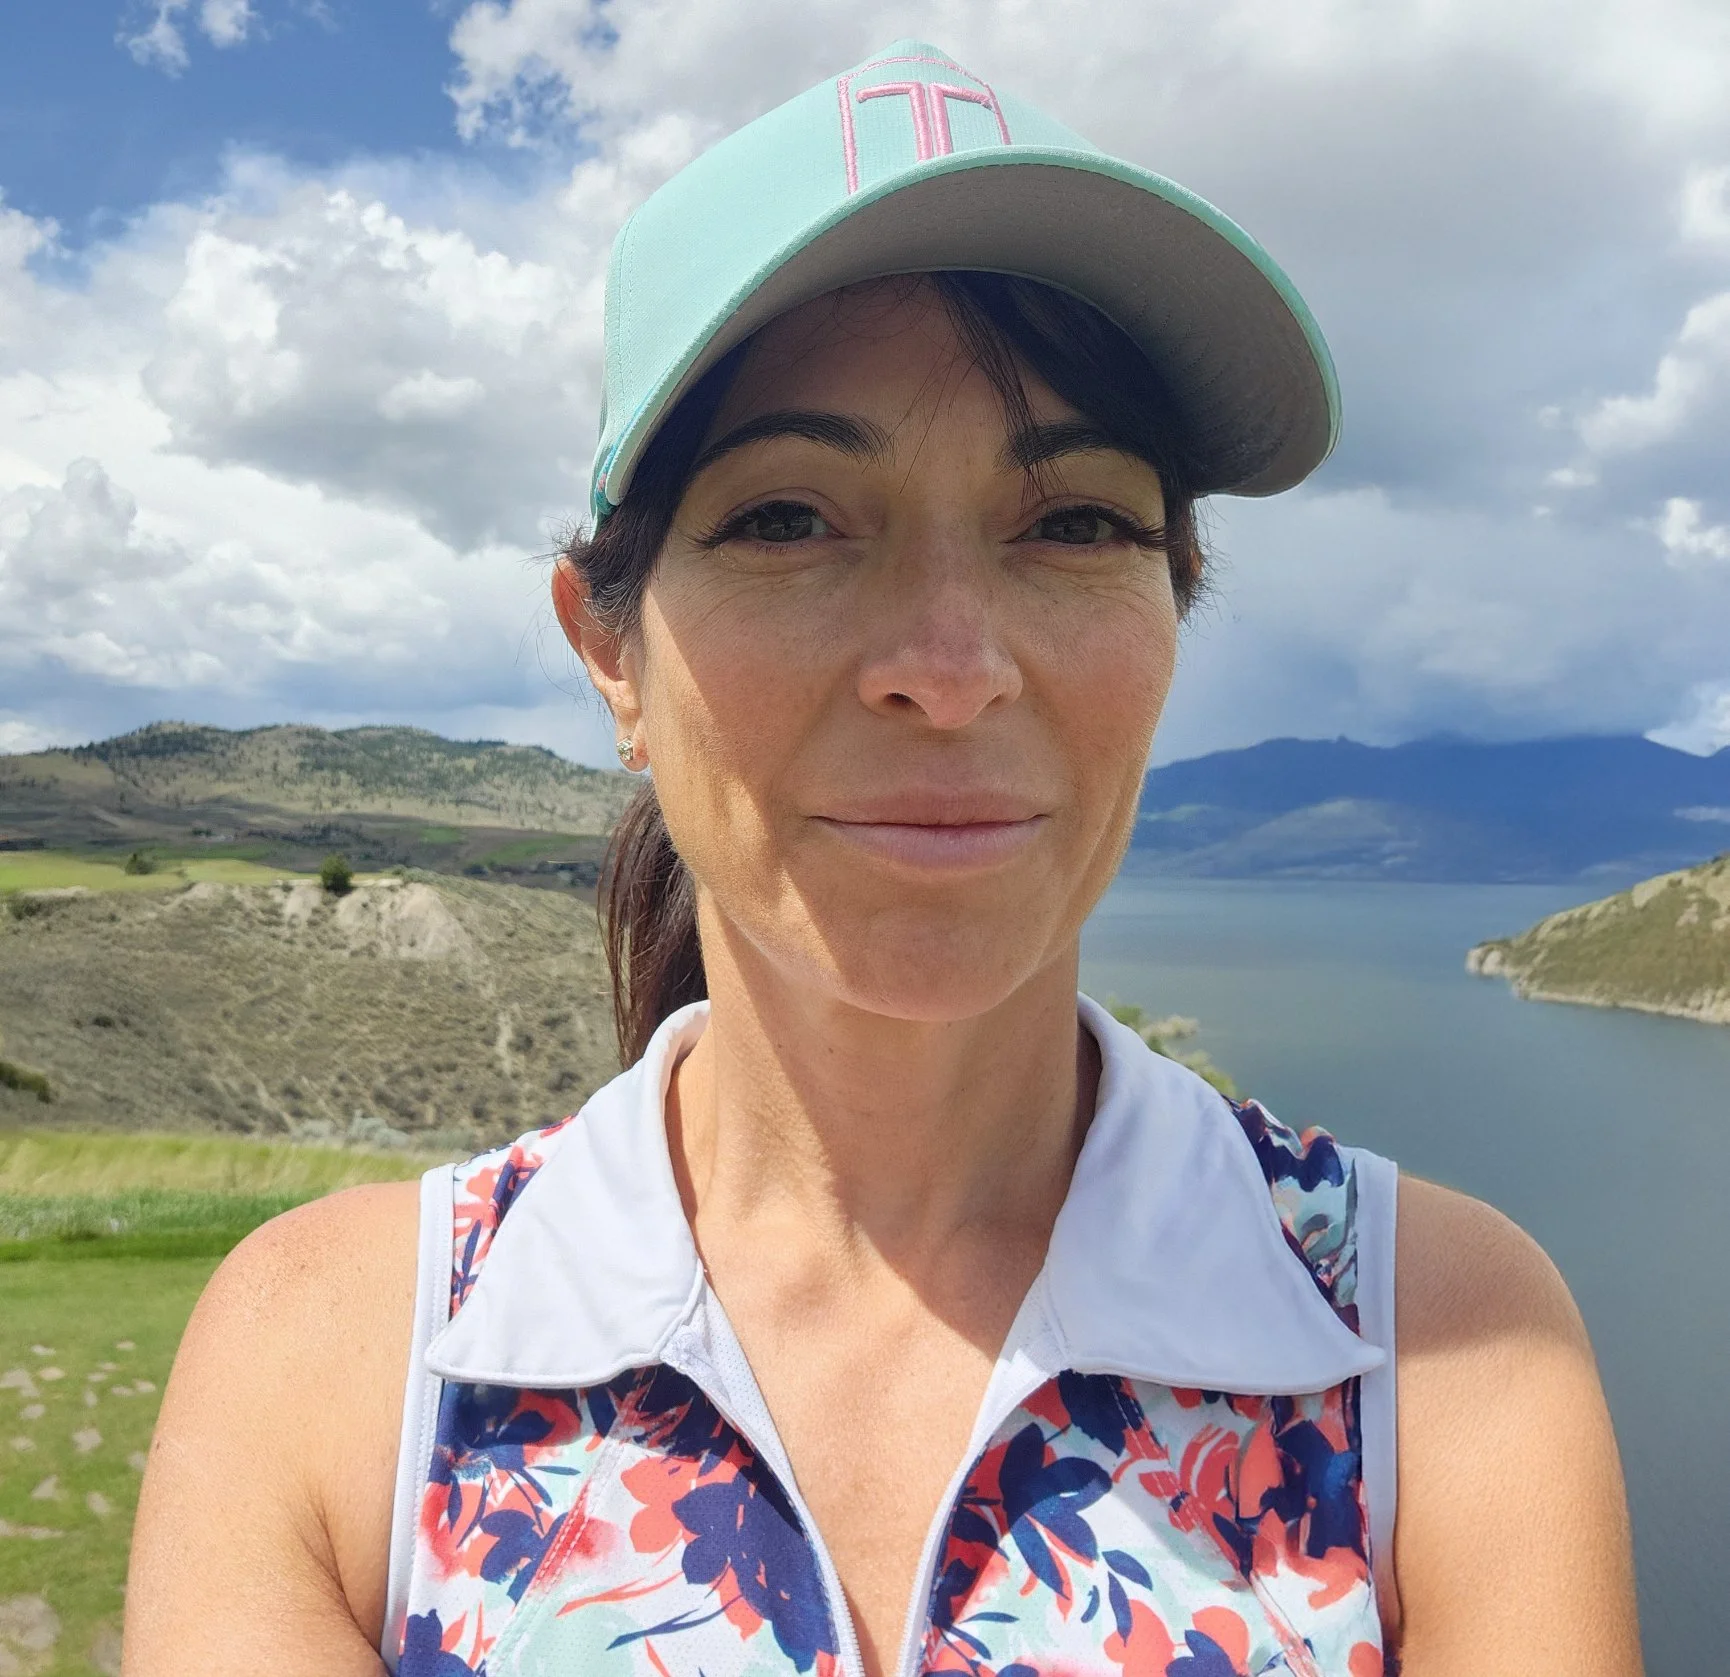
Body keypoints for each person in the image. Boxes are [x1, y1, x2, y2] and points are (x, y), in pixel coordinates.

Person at [124, 41, 1641, 1677]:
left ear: (1175, 614)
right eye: (788, 516)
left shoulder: (1439, 1346)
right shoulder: (340, 1361)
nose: (950, 660)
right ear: (611, 653)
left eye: (1073, 524)